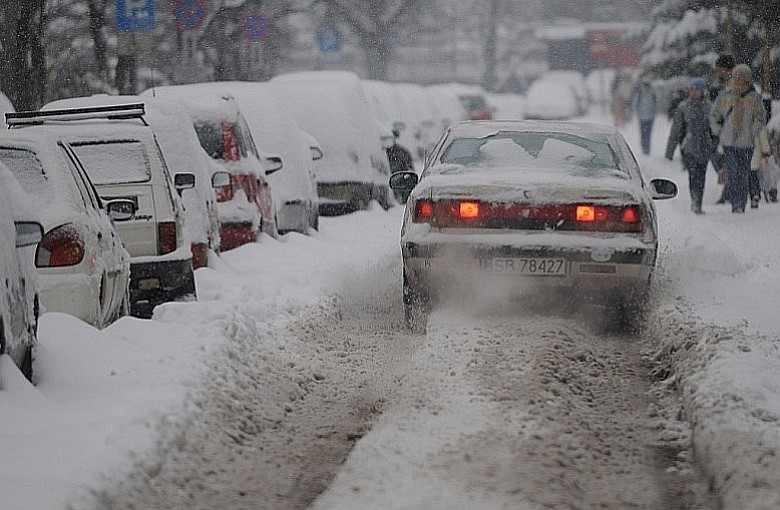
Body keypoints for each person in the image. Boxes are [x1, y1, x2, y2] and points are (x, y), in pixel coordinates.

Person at [710, 64, 768, 213]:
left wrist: (752, 131)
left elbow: (760, 118)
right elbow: (714, 115)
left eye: (742, 77)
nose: (738, 80)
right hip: (729, 142)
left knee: (743, 174)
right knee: (734, 172)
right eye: (736, 76)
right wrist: (719, 131)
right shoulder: (725, 96)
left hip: (746, 143)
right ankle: (736, 203)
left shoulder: (754, 98)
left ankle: (740, 203)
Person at [665, 77, 715, 214]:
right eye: (692, 89)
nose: (694, 92)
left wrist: (715, 146)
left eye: (697, 90)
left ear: (702, 91)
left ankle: (698, 201)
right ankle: (694, 200)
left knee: (701, 175)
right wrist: (669, 152)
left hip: (705, 146)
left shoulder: (709, 107)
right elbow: (675, 130)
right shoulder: (683, 107)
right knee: (693, 175)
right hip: (689, 147)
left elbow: (715, 128)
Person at [708, 54, 735, 204]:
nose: (717, 70)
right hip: (718, 126)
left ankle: (729, 192)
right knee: (719, 159)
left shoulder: (733, 83)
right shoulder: (718, 82)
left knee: (728, 160)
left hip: (728, 127)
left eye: (719, 68)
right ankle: (729, 189)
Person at [631, 78, 658, 155]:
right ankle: (644, 147)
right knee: (643, 133)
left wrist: (653, 112)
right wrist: (637, 113)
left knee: (648, 133)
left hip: (650, 117)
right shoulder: (639, 94)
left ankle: (647, 148)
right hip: (642, 117)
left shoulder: (652, 94)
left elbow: (655, 104)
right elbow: (634, 104)